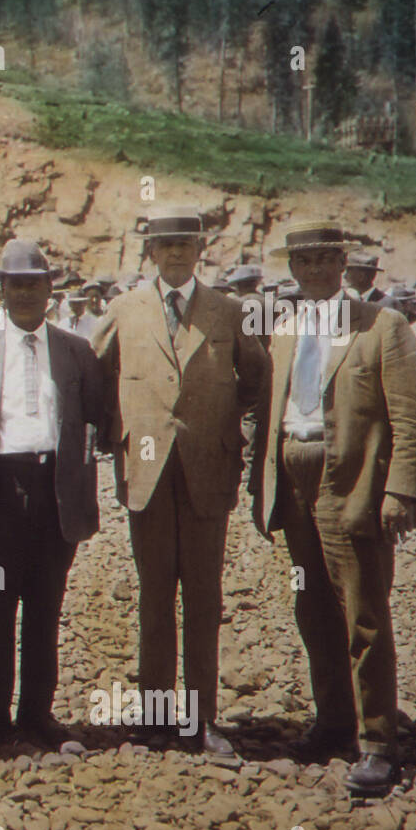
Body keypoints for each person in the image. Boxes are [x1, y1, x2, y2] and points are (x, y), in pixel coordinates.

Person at [251, 220, 416, 796]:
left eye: (322, 260)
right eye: (301, 263)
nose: (311, 272)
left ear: (341, 263)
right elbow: (268, 409)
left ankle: (377, 741)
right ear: (291, 269)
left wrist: (401, 490)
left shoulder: (383, 327)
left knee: (363, 611)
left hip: (350, 482)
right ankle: (332, 720)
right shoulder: (283, 329)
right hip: (293, 476)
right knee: (312, 608)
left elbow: (413, 416)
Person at [91, 206, 268, 758]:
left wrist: (221, 426)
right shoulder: (124, 309)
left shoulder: (228, 311)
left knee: (202, 596)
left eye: (184, 244)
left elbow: (256, 380)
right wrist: (117, 433)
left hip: (205, 471)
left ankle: (201, 719)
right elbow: (97, 378)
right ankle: (155, 715)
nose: (174, 254)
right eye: (164, 245)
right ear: (150, 252)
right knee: (153, 597)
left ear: (200, 251)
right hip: (145, 471)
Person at [0, 241, 104, 746]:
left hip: (53, 489)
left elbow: (98, 416)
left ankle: (36, 712)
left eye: (33, 284)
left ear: (49, 289)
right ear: (2, 290)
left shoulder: (76, 352)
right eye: (15, 285)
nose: (24, 294)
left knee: (45, 603)